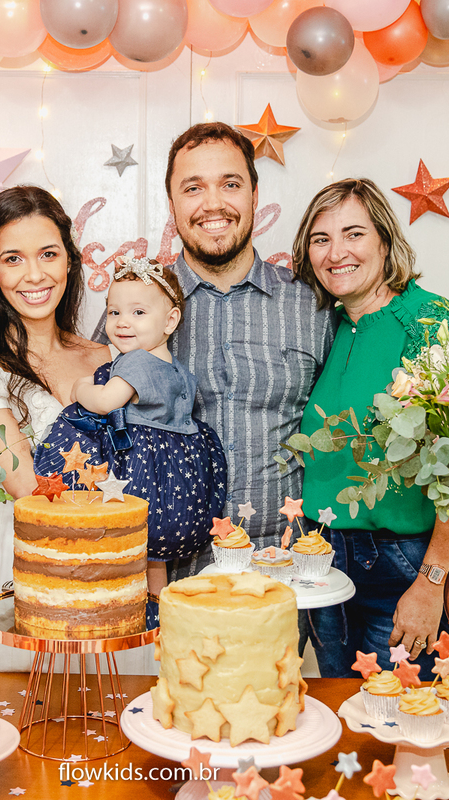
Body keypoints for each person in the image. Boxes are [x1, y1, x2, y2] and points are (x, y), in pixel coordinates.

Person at [290, 178, 449, 678]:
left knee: (402, 718)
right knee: (344, 715)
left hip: (403, 566)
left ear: (384, 240)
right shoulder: (330, 326)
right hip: (326, 563)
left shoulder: (430, 319)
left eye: (354, 234)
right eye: (321, 239)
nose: (336, 253)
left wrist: (432, 583)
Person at [0, 185, 112, 672]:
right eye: (13, 258)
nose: (34, 275)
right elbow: (23, 482)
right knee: (19, 705)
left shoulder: (105, 355)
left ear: (70, 261)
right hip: (17, 557)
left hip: (110, 559)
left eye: (48, 254)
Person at [157, 122, 335, 577]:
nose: (213, 204)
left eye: (230, 184)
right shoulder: (135, 308)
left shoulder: (312, 305)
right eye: (193, 188)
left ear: (255, 195)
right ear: (172, 205)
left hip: (289, 575)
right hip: (172, 581)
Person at [34, 257, 227, 597]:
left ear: (170, 321)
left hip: (137, 470)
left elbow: (107, 401)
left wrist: (80, 388)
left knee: (124, 542)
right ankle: (157, 608)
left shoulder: (138, 361)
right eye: (114, 312)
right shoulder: (177, 369)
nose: (123, 322)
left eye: (138, 312)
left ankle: (122, 605)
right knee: (151, 553)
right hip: (172, 477)